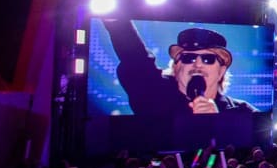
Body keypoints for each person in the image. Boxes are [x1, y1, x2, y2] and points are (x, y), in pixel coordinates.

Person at [109, 21, 257, 115]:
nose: (198, 64)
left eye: (208, 59)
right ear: (176, 66)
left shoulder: (242, 111)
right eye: (189, 58)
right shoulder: (153, 94)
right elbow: (136, 60)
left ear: (221, 71)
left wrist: (217, 123)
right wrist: (116, 22)